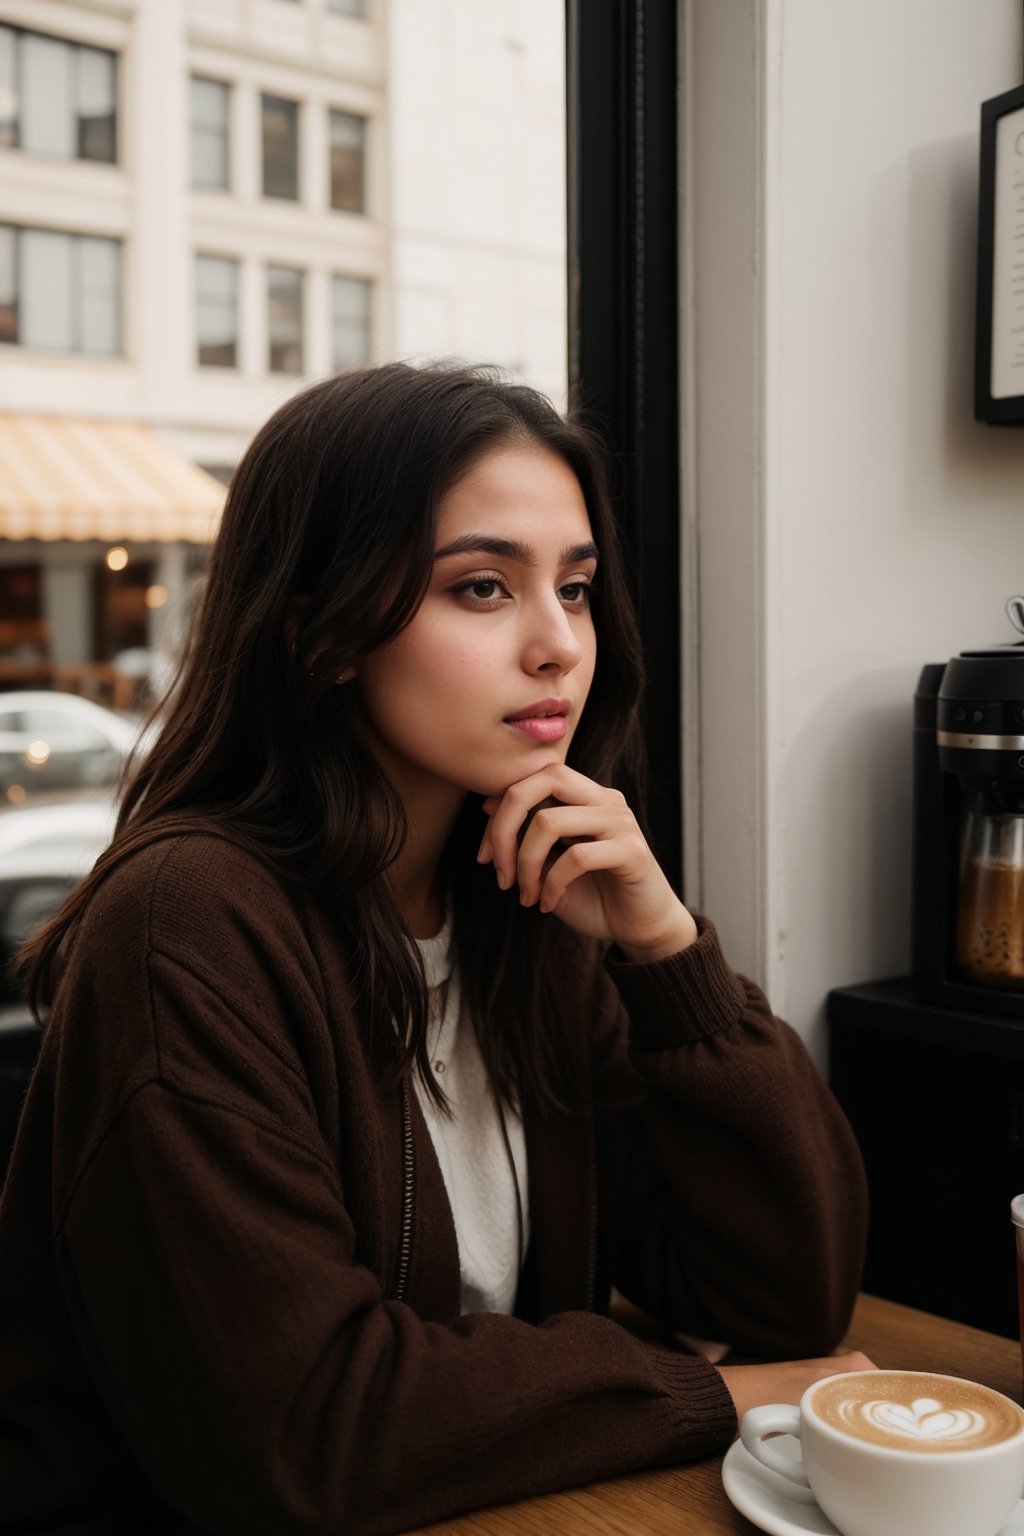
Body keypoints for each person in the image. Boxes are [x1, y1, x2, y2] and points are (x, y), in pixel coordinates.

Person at [0, 362, 870, 1535]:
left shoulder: (531, 908)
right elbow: (306, 1433)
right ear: (320, 629)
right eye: (480, 587)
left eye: (574, 587)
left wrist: (667, 956)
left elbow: (786, 1300)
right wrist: (706, 1392)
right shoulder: (187, 922)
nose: (559, 643)